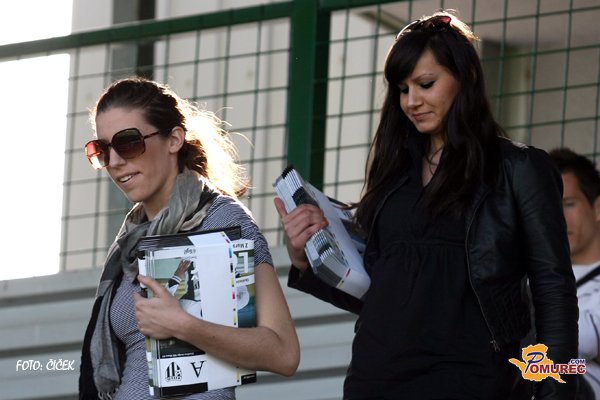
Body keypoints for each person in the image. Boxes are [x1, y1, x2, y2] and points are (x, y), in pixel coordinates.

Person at [274, 10, 578, 399]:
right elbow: (378, 294)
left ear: (466, 76)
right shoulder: (393, 177)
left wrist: (555, 392)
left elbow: (554, 292)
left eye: (426, 84)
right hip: (374, 381)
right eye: (402, 89)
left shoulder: (519, 170)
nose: (411, 101)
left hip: (472, 382)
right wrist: (306, 259)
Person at [79, 76, 300, 400]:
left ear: (174, 140)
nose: (114, 162)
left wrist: (182, 325)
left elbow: (284, 353)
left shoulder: (223, 221)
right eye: (102, 149)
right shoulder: (129, 242)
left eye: (128, 142)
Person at [550, 148, 600, 399]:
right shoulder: (524, 279)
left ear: (598, 208)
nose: (557, 218)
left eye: (568, 204)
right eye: (547, 207)